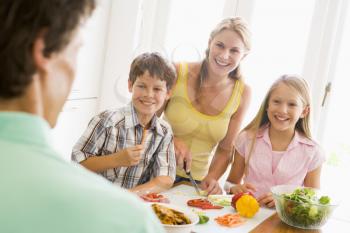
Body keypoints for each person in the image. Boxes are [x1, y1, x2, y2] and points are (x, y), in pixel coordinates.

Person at [0, 1, 165, 232]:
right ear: (44, 51)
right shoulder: (128, 220)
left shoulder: (163, 131)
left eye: (157, 89)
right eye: (76, 50)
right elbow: (79, 160)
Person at [162, 17, 252, 194]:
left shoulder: (243, 93)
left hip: (195, 184)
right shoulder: (177, 71)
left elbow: (225, 149)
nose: (224, 55)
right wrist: (170, 139)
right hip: (156, 170)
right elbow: (145, 120)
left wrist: (212, 178)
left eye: (234, 50)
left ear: (244, 55)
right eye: (220, 45)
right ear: (210, 43)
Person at [72, 52, 176, 194]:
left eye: (157, 89)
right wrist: (116, 159)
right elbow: (77, 163)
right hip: (95, 200)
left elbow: (166, 178)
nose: (149, 94)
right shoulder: (107, 121)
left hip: (131, 204)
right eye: (142, 86)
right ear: (130, 85)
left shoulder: (164, 131)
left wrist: (129, 196)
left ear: (168, 93)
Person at [225, 75, 326, 208]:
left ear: (304, 111)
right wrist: (234, 189)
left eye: (292, 104)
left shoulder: (313, 151)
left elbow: (313, 198)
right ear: (267, 105)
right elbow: (230, 184)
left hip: (285, 222)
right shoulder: (246, 139)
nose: (282, 110)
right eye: (277, 101)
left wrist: (286, 199)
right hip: (247, 217)